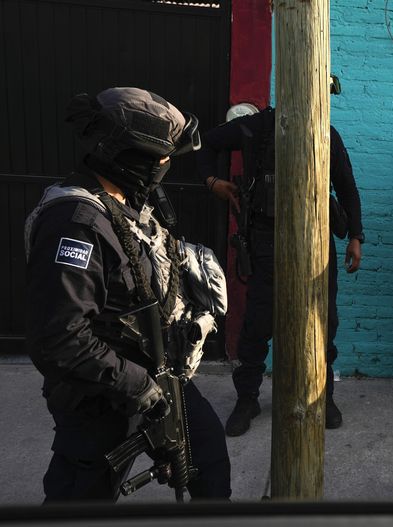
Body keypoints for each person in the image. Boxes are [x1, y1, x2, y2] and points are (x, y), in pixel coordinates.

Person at [24, 87, 231, 501]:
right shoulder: (76, 222)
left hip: (160, 376)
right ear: (128, 156)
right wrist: (138, 386)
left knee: (208, 462)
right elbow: (61, 337)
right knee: (81, 498)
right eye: (160, 158)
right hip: (102, 397)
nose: (165, 166)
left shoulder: (134, 203)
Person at [197, 107, 364, 435]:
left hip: (316, 242)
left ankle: (323, 396)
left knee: (323, 321)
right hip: (266, 240)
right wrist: (212, 181)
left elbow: (346, 186)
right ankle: (247, 398)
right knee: (258, 323)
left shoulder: (325, 132)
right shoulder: (255, 127)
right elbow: (204, 141)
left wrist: (356, 236)